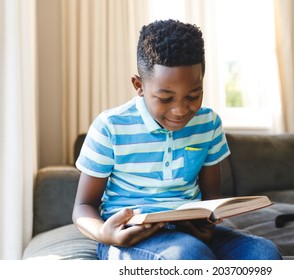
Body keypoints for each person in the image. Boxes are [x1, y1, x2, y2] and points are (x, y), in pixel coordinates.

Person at [73, 19, 281, 260]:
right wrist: (104, 233)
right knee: (187, 255)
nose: (181, 110)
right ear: (139, 85)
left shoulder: (209, 123)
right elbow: (83, 206)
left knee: (264, 253)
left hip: (189, 232)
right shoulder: (110, 127)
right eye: (165, 99)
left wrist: (208, 225)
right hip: (129, 237)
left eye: (193, 95)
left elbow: (212, 197)